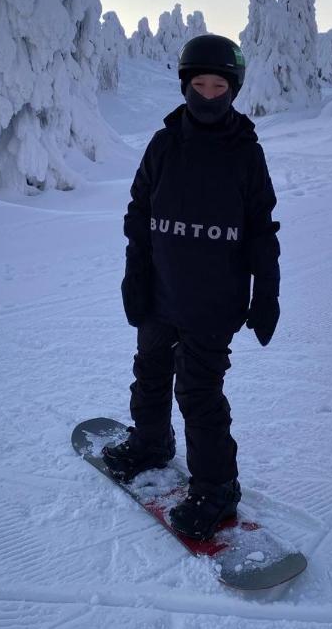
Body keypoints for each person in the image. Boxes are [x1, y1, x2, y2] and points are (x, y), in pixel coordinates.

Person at [102, 34, 281, 541]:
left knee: (199, 393)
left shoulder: (246, 154)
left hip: (213, 300)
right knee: (151, 372)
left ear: (233, 89)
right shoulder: (163, 145)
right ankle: (151, 443)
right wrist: (135, 276)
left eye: (217, 85)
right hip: (160, 292)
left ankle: (216, 488)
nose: (207, 94)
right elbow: (139, 216)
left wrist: (266, 293)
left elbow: (262, 231)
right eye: (198, 84)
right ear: (185, 86)